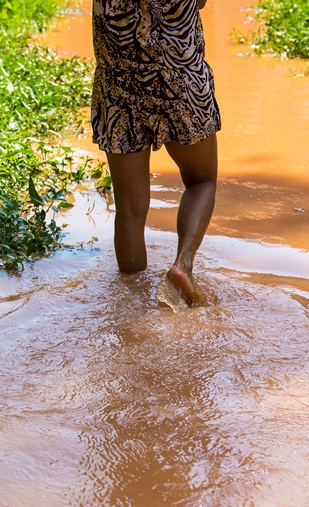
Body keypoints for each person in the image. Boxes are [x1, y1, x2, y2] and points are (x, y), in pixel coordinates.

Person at [91, 0, 220, 306]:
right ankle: (183, 265)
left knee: (130, 210)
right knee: (201, 181)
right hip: (182, 84)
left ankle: (132, 301)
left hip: (120, 91)